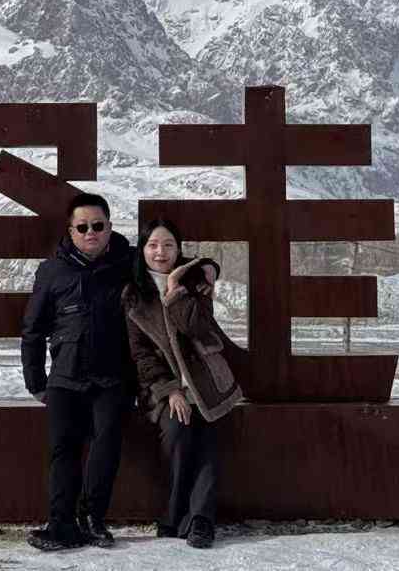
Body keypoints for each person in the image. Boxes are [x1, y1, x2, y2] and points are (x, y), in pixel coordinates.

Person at [21, 191, 136, 552]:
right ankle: (61, 525)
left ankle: (92, 519)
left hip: (112, 376)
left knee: (107, 444)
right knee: (63, 449)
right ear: (70, 231)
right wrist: (35, 382)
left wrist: (208, 268)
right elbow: (33, 329)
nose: (91, 233)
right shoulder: (51, 271)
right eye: (83, 227)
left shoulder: (129, 262)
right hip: (65, 376)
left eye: (98, 226)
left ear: (109, 227)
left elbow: (171, 260)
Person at [122, 220, 241, 550]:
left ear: (178, 249)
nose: (160, 252)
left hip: (206, 381)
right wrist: (170, 389)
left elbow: (198, 328)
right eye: (153, 245)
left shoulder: (195, 281)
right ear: (142, 249)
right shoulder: (133, 294)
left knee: (207, 437)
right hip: (165, 387)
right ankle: (176, 514)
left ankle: (201, 520)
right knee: (178, 431)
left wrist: (175, 289)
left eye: (168, 245)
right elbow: (140, 353)